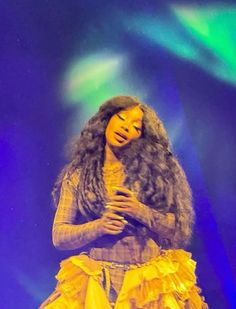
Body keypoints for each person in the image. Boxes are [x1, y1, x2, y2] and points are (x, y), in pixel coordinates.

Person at [40, 95, 208, 308]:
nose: (126, 128)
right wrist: (99, 227)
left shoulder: (156, 173)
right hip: (96, 284)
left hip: (149, 286)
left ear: (142, 136)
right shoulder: (78, 175)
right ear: (106, 120)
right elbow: (59, 236)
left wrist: (139, 211)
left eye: (136, 127)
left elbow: (179, 229)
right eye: (121, 118)